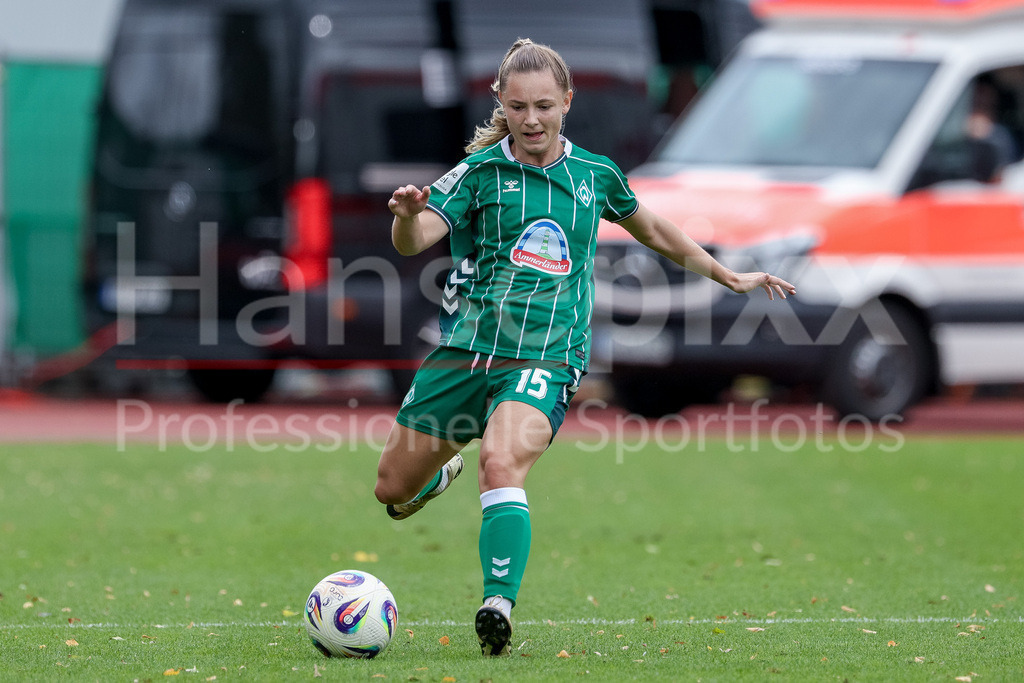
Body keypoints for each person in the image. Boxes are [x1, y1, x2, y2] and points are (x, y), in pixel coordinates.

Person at [374, 38, 796, 657]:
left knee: (501, 461)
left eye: (544, 105)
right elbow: (414, 241)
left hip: (546, 357)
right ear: (502, 104)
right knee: (391, 488)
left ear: (567, 102)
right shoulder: (477, 174)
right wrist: (408, 215)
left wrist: (727, 275)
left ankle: (498, 603)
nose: (532, 119)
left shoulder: (594, 175)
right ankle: (436, 477)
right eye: (518, 107)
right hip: (466, 352)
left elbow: (652, 228)